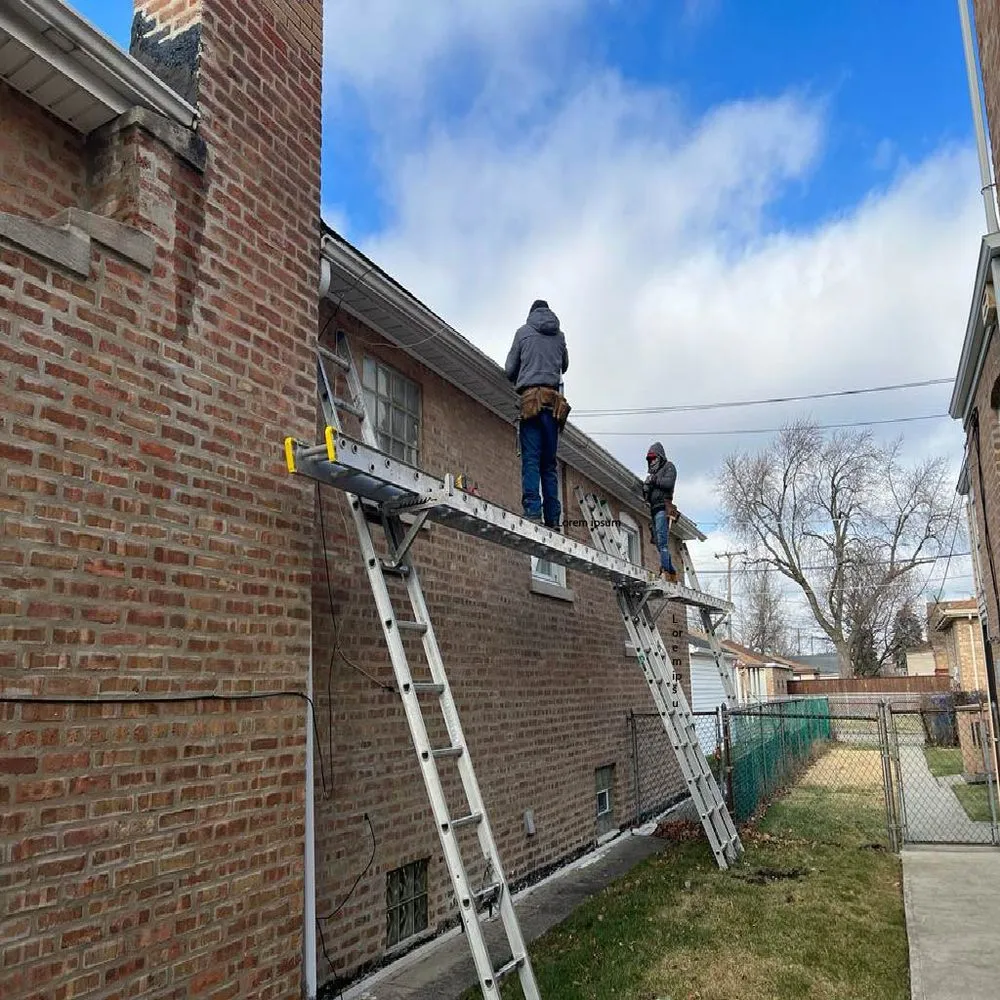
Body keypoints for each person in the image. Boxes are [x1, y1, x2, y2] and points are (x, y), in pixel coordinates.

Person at [505, 300, 570, 529]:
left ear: (531, 313)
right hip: (552, 406)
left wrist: (527, 371)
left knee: (531, 459)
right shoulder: (559, 336)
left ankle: (533, 511)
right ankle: (553, 518)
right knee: (549, 464)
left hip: (531, 403)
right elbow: (564, 366)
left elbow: (509, 369)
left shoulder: (523, 333)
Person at [643, 442, 679, 583]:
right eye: (650, 459)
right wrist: (646, 488)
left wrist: (654, 480)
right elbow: (648, 495)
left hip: (663, 508)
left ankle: (665, 570)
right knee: (658, 543)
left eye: (654, 458)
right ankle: (672, 572)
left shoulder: (669, 467)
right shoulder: (653, 474)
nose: (652, 461)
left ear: (660, 457)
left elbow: (668, 484)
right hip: (654, 510)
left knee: (662, 542)